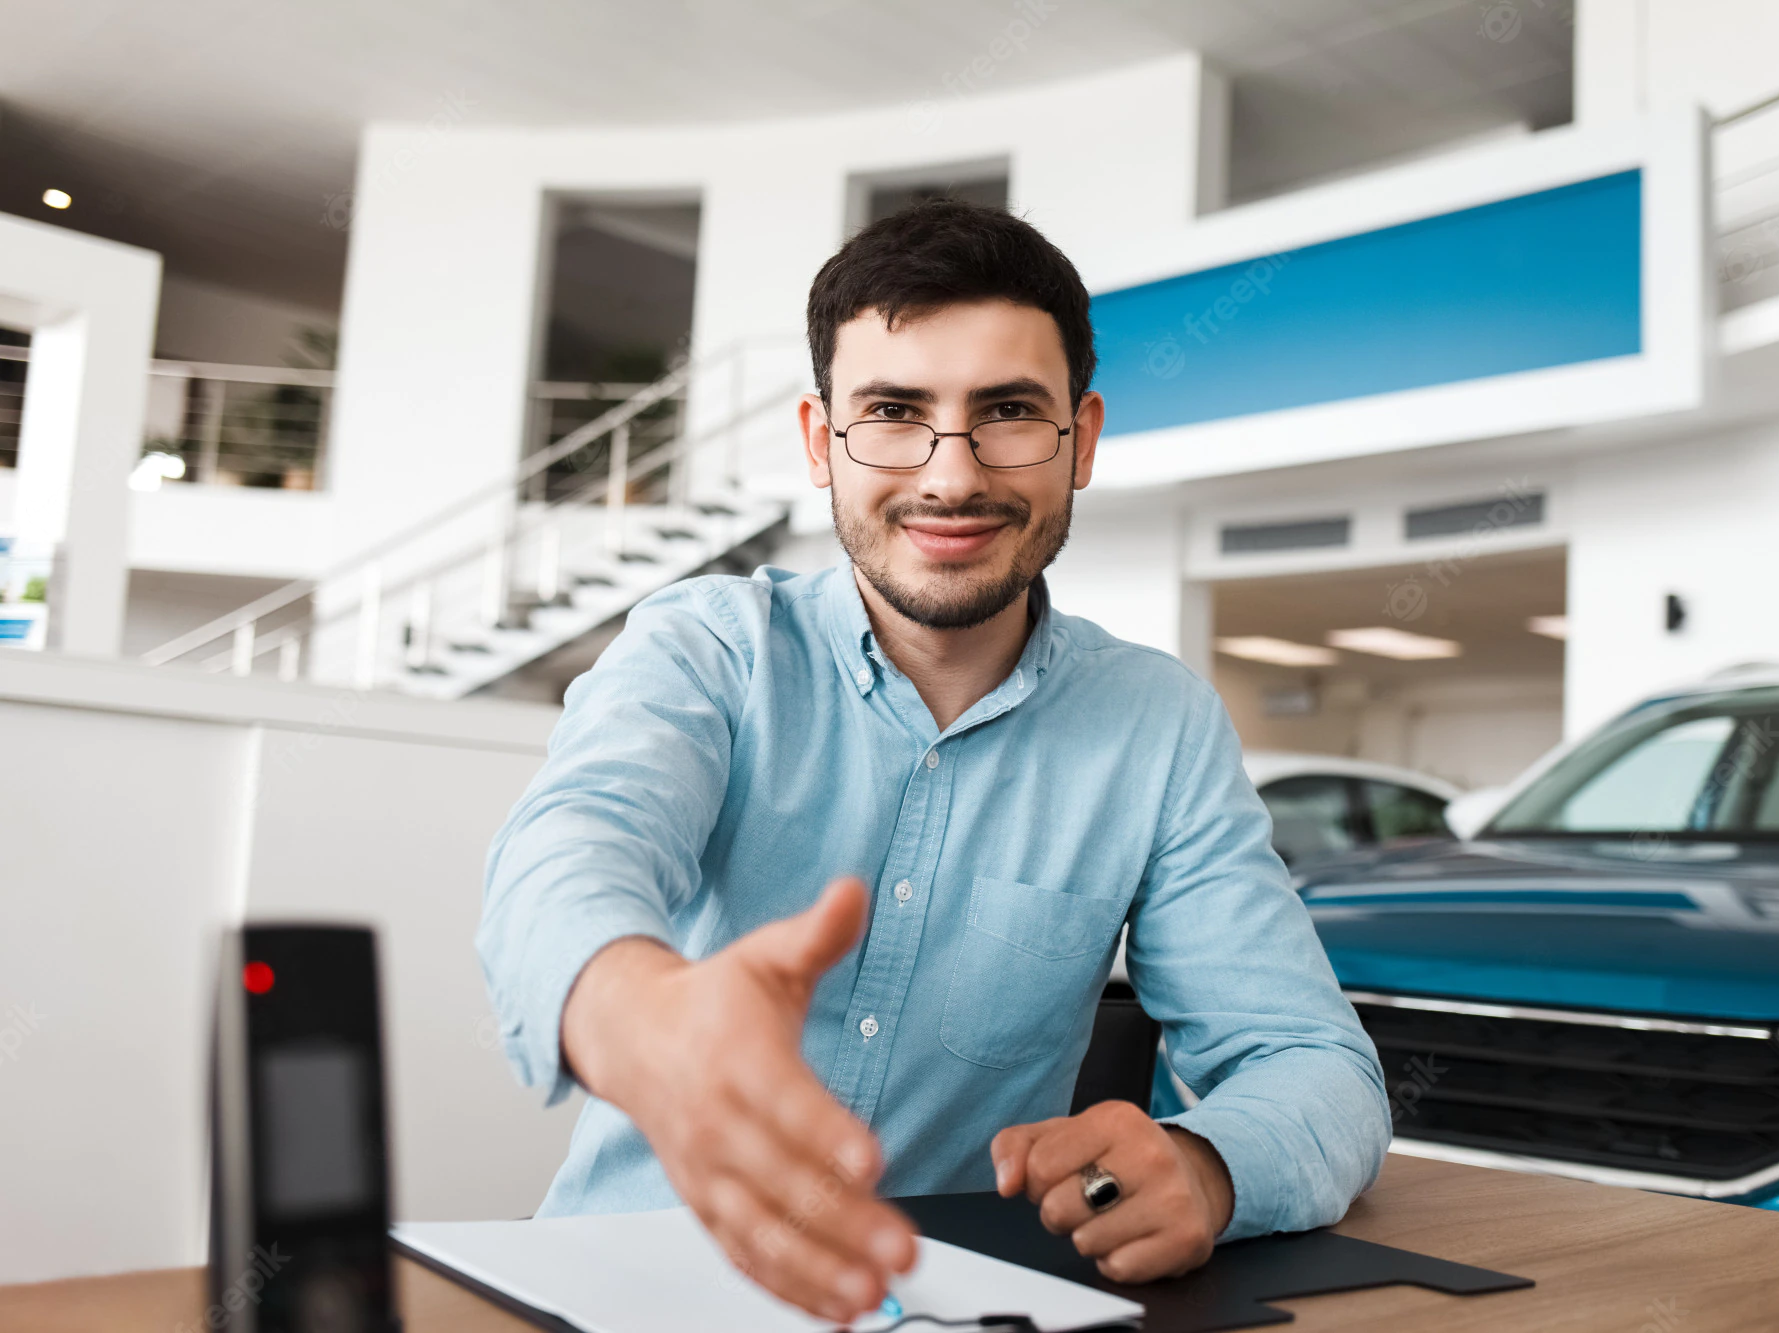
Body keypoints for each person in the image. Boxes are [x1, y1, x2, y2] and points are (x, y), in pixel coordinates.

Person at [479, 198, 1391, 1325]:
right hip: (625, 1291)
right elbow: (564, 854)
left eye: (1006, 411)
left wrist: (1206, 1167)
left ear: (1081, 438)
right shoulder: (707, 648)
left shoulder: (1158, 726)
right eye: (893, 412)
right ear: (822, 441)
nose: (950, 476)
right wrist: (637, 1012)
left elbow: (1318, 1068)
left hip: (946, 1307)